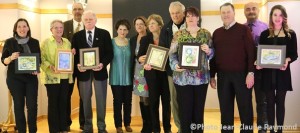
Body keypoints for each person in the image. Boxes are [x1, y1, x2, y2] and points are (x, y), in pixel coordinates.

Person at [209, 3, 255, 133]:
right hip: (223, 77)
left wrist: (251, 73)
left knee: (245, 109)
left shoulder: (243, 30)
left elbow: (251, 52)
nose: (226, 15)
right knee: (225, 110)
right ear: (220, 15)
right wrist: (212, 75)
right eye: (223, 12)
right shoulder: (217, 33)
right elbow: (213, 56)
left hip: (242, 76)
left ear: (234, 13)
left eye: (228, 12)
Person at [169, 7, 213, 133]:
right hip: (182, 79)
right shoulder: (178, 34)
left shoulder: (206, 33)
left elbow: (213, 53)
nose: (190, 18)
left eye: (193, 15)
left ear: (198, 18)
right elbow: (171, 54)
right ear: (185, 18)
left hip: (201, 79)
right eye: (188, 16)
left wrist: (209, 51)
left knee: (198, 112)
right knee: (185, 112)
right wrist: (175, 65)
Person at [257, 5, 298, 133]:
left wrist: (287, 60)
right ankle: (271, 130)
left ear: (284, 17)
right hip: (267, 75)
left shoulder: (290, 34)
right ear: (271, 17)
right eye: (275, 15)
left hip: (282, 75)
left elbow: (294, 54)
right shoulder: (264, 34)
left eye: (280, 15)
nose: (277, 18)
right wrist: (258, 63)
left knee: (280, 104)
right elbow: (261, 54)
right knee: (269, 104)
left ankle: (279, 130)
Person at [72, 10, 113, 133]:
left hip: (100, 73)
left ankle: (101, 126)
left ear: (95, 20)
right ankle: (88, 126)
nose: (88, 21)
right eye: (86, 19)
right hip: (83, 74)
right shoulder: (77, 36)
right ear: (83, 21)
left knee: (101, 100)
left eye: (91, 19)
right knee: (85, 100)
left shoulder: (104, 34)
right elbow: (73, 54)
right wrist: (78, 64)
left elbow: (109, 53)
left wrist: (102, 64)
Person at [1, 18, 40, 133]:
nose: (22, 29)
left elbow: (39, 60)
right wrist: (11, 57)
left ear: (28, 28)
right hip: (15, 79)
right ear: (15, 29)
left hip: (31, 79)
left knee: (32, 106)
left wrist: (36, 69)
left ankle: (33, 130)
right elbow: (4, 60)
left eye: (24, 26)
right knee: (18, 106)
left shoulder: (35, 42)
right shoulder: (9, 42)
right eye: (19, 26)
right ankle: (21, 131)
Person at [137, 14, 171, 133]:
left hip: (166, 75)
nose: (150, 26)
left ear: (159, 25)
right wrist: (142, 61)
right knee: (154, 102)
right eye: (149, 24)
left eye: (153, 23)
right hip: (151, 75)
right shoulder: (145, 39)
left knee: (166, 102)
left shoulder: (167, 37)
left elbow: (171, 55)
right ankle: (156, 129)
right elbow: (139, 57)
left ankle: (167, 128)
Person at [40, 19, 73, 133]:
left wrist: (72, 54)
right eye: (56, 28)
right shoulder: (45, 43)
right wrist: (50, 66)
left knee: (64, 103)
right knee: (53, 104)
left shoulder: (67, 42)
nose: (59, 30)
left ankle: (63, 128)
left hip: (64, 77)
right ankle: (54, 130)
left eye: (61, 28)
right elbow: (41, 59)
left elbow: (69, 60)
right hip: (51, 78)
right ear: (51, 30)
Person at [159, 2, 186, 132]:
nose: (175, 15)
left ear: (183, 13)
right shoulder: (165, 29)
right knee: (175, 100)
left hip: (191, 72)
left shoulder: (192, 24)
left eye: (177, 12)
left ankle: (189, 126)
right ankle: (180, 126)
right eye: (172, 13)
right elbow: (163, 50)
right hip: (172, 72)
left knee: (189, 100)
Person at [244, 2, 268, 133]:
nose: (251, 11)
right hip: (245, 72)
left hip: (262, 72)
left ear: (258, 10)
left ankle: (262, 130)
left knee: (262, 102)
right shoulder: (241, 28)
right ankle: (247, 130)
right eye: (248, 9)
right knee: (246, 102)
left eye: (253, 9)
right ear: (244, 12)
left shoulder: (266, 27)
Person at [63, 2, 85, 130]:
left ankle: (83, 123)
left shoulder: (88, 25)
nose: (77, 11)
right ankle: (66, 123)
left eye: (79, 9)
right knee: (66, 94)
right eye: (75, 9)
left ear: (83, 11)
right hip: (67, 67)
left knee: (84, 95)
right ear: (72, 11)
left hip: (83, 66)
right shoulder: (64, 26)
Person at [109, 19, 133, 133]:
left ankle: (127, 123)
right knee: (117, 101)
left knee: (128, 101)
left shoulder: (130, 42)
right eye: (120, 29)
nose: (122, 32)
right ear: (117, 30)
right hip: (115, 77)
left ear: (128, 31)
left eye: (125, 29)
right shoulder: (111, 42)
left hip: (128, 78)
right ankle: (118, 125)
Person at [130, 16, 151, 133]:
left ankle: (150, 124)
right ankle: (145, 124)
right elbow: (133, 56)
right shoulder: (133, 39)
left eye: (141, 24)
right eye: (137, 24)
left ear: (145, 25)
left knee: (147, 98)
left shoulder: (150, 37)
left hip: (147, 71)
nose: (139, 26)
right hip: (137, 72)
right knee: (141, 98)